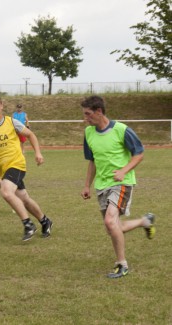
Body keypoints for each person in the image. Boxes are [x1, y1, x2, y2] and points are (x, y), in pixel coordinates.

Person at [80, 95, 156, 279]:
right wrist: (87, 186)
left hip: (122, 182)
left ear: (99, 111)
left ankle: (122, 264)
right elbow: (92, 161)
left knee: (109, 222)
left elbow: (139, 154)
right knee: (113, 227)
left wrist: (124, 170)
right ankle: (144, 221)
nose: (86, 118)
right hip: (102, 185)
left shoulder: (122, 130)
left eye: (88, 114)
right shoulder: (89, 133)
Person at [0, 94, 52, 241]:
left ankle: (28, 224)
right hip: (2, 169)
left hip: (16, 163)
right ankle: (45, 221)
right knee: (24, 198)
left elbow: (30, 134)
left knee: (6, 192)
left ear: (1, 106)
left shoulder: (11, 122)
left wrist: (38, 153)